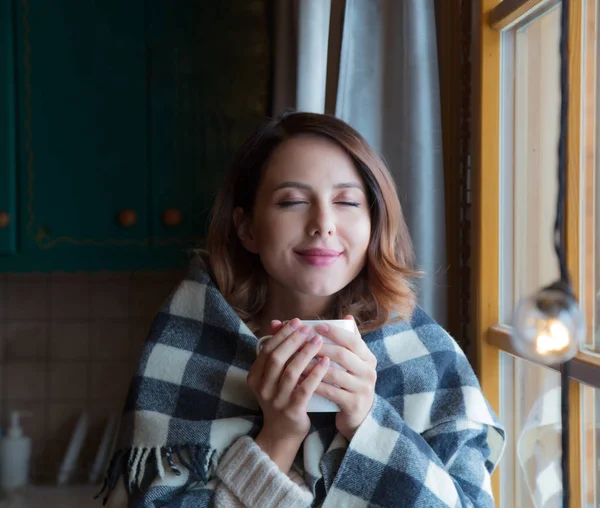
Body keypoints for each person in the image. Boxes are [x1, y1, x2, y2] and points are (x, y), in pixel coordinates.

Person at [100, 111, 505, 507]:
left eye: (347, 202)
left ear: (374, 224)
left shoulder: (427, 358)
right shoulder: (186, 347)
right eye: (292, 201)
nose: (323, 223)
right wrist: (278, 436)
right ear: (248, 228)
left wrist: (368, 423)